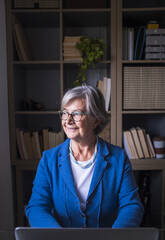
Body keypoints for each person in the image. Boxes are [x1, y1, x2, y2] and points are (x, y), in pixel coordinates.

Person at [25, 84, 144, 228]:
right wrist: (58, 238)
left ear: (96, 120)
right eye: (64, 113)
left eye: (76, 114)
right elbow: (37, 207)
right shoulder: (48, 160)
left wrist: (115, 239)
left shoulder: (118, 158)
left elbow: (131, 206)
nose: (67, 121)